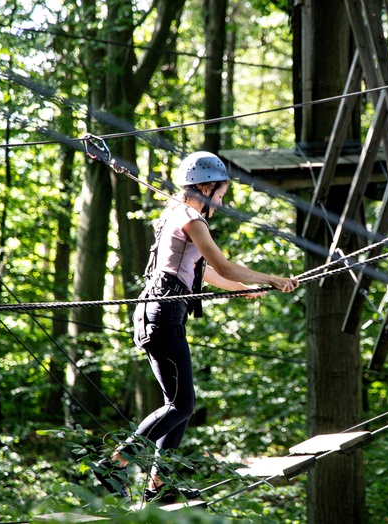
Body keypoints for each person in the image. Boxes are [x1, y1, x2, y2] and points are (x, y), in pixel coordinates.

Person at [93, 151, 298, 503]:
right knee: (181, 405)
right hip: (162, 315)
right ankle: (113, 465)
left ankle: (159, 486)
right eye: (219, 195)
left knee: (178, 405)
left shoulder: (177, 215)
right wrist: (271, 278)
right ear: (205, 187)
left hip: (161, 314)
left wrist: (248, 287)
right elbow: (224, 265)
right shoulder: (191, 217)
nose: (219, 203)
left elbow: (211, 273)